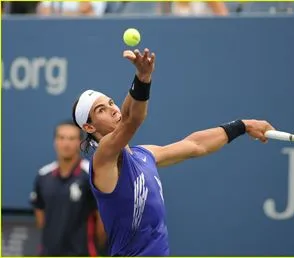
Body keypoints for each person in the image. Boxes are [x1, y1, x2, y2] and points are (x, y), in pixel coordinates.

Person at [71, 48, 275, 256]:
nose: (112, 109)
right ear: (89, 127)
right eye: (101, 110)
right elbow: (132, 119)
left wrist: (243, 125)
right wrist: (143, 77)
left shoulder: (144, 155)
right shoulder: (103, 158)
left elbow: (196, 145)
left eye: (111, 103)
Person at [30, 120, 106, 256]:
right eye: (61, 138)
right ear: (55, 141)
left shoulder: (91, 175)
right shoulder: (43, 176)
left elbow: (102, 223)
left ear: (80, 143)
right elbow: (41, 219)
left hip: (83, 253)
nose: (66, 143)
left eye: (72, 138)